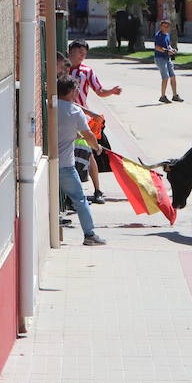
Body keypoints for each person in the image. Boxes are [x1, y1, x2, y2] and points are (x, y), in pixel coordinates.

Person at [67, 40, 121, 203]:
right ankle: (75, 192)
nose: (83, 55)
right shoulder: (63, 67)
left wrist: (111, 91)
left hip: (82, 117)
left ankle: (97, 189)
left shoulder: (87, 71)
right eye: (80, 51)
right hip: (65, 114)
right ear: (72, 51)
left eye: (85, 53)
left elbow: (99, 90)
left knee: (88, 153)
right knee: (72, 154)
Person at [55, 76, 106, 245]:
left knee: (51, 197)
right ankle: (89, 234)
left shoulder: (50, 105)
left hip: (47, 161)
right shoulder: (75, 112)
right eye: (76, 89)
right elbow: (89, 136)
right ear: (71, 91)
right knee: (80, 199)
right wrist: (97, 148)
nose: (78, 91)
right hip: (65, 165)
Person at [153, 19, 183, 103]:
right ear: (161, 27)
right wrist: (167, 51)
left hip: (167, 58)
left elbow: (168, 44)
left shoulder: (167, 35)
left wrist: (172, 49)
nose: (166, 28)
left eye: (167, 27)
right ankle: (162, 96)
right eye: (164, 26)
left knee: (173, 76)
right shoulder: (158, 35)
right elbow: (157, 47)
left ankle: (175, 95)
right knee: (165, 77)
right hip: (160, 58)